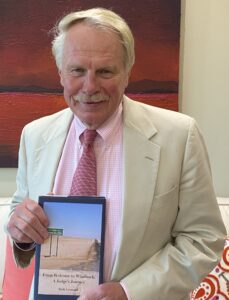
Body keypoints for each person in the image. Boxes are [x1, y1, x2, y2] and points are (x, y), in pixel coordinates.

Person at [6, 7, 226, 300]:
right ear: (60, 73)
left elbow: (204, 239)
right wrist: (20, 234)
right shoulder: (35, 135)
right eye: (77, 70)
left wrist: (129, 291)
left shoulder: (179, 136)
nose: (90, 86)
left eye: (105, 71)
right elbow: (22, 213)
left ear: (127, 74)